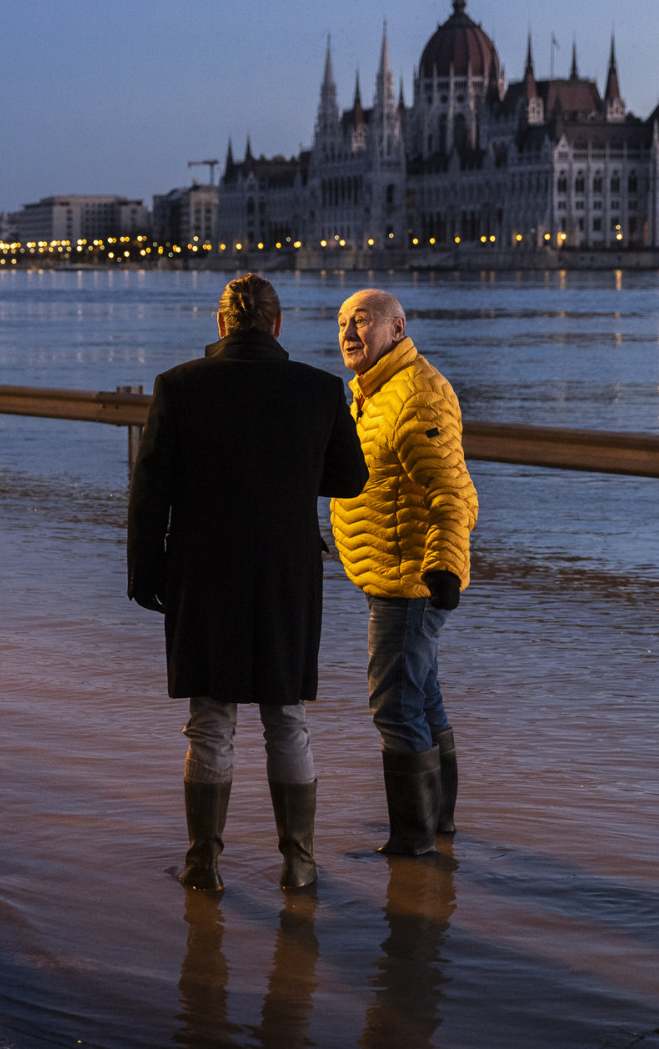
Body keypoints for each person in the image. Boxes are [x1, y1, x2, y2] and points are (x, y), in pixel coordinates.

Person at [128, 275, 367, 891]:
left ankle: (203, 863)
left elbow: (151, 490)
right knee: (285, 716)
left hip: (204, 570)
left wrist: (144, 572)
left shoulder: (179, 387)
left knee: (212, 718)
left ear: (221, 325)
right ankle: (300, 864)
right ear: (278, 325)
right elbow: (350, 478)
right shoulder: (320, 390)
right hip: (287, 569)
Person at [328, 289, 478, 856]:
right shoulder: (375, 392)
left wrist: (443, 567)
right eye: (341, 322)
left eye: (361, 322)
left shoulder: (416, 394)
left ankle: (411, 844)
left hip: (410, 578)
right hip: (389, 569)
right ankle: (438, 829)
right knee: (422, 699)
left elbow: (453, 492)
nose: (348, 333)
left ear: (397, 327)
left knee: (394, 706)